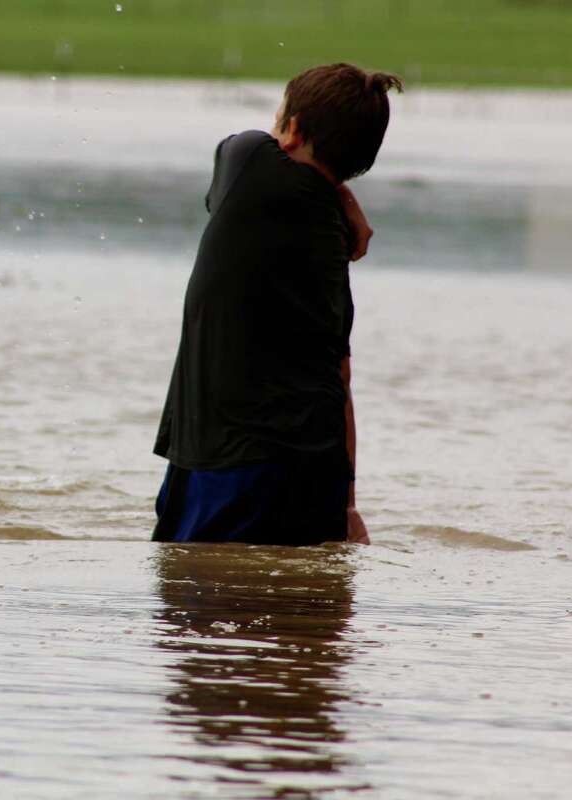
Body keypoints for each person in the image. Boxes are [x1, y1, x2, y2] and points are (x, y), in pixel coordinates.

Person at [152, 63, 402, 546]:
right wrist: (349, 506)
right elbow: (341, 379)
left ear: (291, 131)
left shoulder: (248, 163)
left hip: (229, 464)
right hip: (314, 470)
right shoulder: (330, 244)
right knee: (297, 615)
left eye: (278, 116)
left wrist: (345, 200)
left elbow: (237, 145)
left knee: (198, 608)